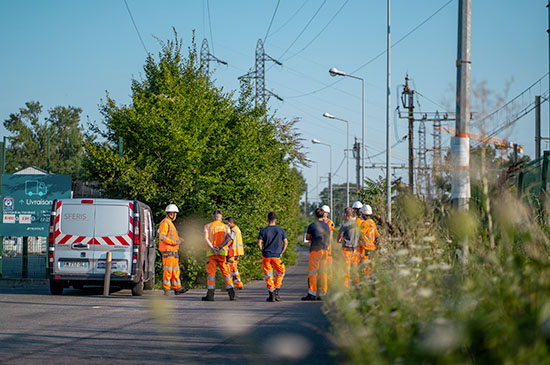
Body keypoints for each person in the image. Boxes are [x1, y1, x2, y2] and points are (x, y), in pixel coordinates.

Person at [202, 210, 237, 301]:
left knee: (211, 274)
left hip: (211, 253)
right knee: (226, 273)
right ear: (221, 218)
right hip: (222, 253)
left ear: (213, 217)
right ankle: (231, 294)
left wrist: (213, 248)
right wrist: (220, 247)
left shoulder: (207, 226)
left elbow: (206, 238)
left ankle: (210, 295)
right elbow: (230, 239)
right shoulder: (226, 227)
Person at [257, 212, 288, 302]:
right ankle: (276, 291)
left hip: (266, 256)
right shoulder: (280, 230)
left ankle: (271, 294)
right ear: (276, 220)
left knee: (268, 275)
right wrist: (281, 252)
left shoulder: (263, 230)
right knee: (281, 272)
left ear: (267, 220)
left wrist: (262, 251)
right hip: (277, 256)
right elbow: (286, 242)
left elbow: (259, 244)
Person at [158, 204, 188, 295]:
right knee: (168, 271)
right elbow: (162, 237)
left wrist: (178, 240)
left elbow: (171, 237)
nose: (175, 215)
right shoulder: (165, 223)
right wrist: (175, 242)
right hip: (168, 250)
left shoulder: (170, 223)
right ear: (171, 214)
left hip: (173, 250)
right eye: (175, 213)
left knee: (175, 271)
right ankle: (166, 289)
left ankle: (177, 288)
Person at [302, 207, 330, 301]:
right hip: (325, 251)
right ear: (323, 215)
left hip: (315, 250)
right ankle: (323, 293)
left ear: (315, 215)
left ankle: (312, 293)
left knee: (312, 272)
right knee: (323, 272)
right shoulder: (327, 226)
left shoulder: (312, 226)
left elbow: (307, 237)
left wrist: (312, 239)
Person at [337, 207, 360, 288]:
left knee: (346, 270)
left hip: (347, 250)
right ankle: (357, 287)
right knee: (355, 270)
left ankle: (346, 288)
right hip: (356, 250)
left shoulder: (345, 225)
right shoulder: (357, 224)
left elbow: (338, 239)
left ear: (345, 214)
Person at [359, 204, 380, 277]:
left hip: (366, 249)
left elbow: (359, 234)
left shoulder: (364, 224)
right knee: (371, 266)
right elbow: (377, 236)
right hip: (372, 248)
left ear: (363, 213)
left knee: (365, 267)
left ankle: (366, 282)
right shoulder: (373, 223)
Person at [225, 217, 244, 290]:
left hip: (233, 251)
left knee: (231, 267)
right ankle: (237, 284)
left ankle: (233, 285)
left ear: (230, 222)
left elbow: (230, 240)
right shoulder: (237, 228)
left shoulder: (233, 230)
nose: (226, 225)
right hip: (237, 251)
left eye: (227, 223)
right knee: (233, 268)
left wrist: (224, 246)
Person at [321, 205, 335, 280]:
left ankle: (329, 278)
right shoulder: (319, 221)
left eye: (325, 212)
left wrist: (328, 244)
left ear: (327, 213)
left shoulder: (330, 223)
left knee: (328, 261)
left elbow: (330, 235)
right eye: (322, 212)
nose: (323, 213)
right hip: (320, 244)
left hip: (327, 245)